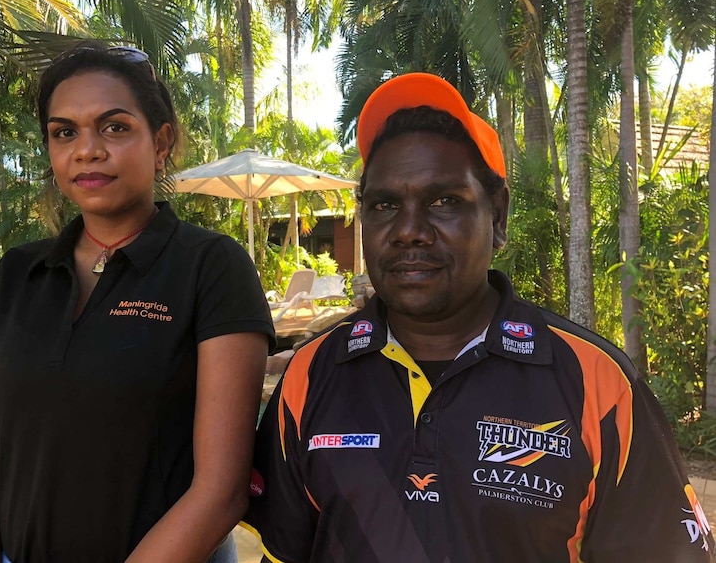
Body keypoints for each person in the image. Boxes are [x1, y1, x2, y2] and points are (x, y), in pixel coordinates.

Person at [241, 72, 715, 562]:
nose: (408, 231)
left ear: (499, 215)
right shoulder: (310, 378)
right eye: (384, 205)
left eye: (444, 201)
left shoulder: (596, 384)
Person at [0, 41, 275, 562]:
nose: (87, 149)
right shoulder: (15, 274)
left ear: (161, 142)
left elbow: (220, 491)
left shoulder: (210, 266)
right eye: (64, 132)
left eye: (115, 127)